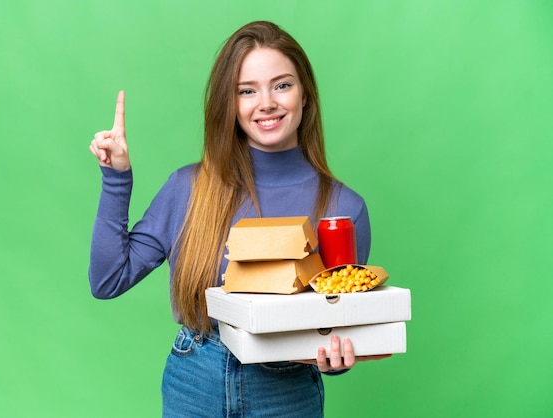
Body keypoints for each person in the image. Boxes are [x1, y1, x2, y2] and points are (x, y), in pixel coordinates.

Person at [88, 20, 390, 417]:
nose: (266, 102)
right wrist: (116, 178)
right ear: (230, 106)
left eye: (282, 85)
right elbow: (109, 280)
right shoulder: (189, 188)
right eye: (246, 91)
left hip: (286, 393)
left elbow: (336, 325)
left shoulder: (343, 208)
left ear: (305, 97)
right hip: (194, 382)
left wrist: (335, 358)